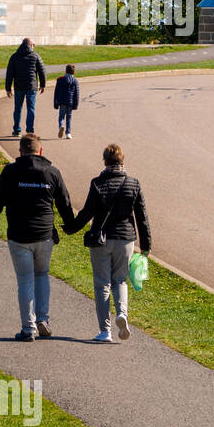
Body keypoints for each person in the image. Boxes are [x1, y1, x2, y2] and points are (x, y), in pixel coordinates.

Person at [0, 133, 75, 342]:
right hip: (44, 235)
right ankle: (43, 319)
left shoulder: (11, 172)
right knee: (42, 275)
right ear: (40, 151)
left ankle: (28, 328)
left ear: (20, 152)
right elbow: (64, 203)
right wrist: (71, 226)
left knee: (25, 281)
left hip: (19, 235)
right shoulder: (52, 172)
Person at [65, 144, 153, 343]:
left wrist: (70, 228)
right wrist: (146, 245)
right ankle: (122, 314)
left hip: (101, 239)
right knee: (120, 280)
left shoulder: (98, 183)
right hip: (125, 239)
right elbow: (142, 216)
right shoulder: (133, 183)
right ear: (122, 161)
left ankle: (105, 331)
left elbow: (87, 212)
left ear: (105, 161)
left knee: (102, 283)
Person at [5, 37, 46, 136]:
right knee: (31, 108)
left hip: (19, 86)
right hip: (31, 86)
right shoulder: (35, 56)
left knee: (18, 108)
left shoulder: (14, 56)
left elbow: (9, 73)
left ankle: (16, 130)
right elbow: (42, 71)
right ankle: (30, 130)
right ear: (31, 45)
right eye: (33, 45)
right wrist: (42, 85)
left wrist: (8, 88)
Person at [53, 64, 80, 139]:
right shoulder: (75, 81)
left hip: (62, 102)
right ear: (74, 72)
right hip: (70, 102)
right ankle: (68, 133)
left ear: (65, 71)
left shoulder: (60, 80)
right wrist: (76, 104)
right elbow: (76, 94)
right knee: (69, 117)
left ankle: (61, 126)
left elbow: (56, 92)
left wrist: (55, 103)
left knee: (61, 116)